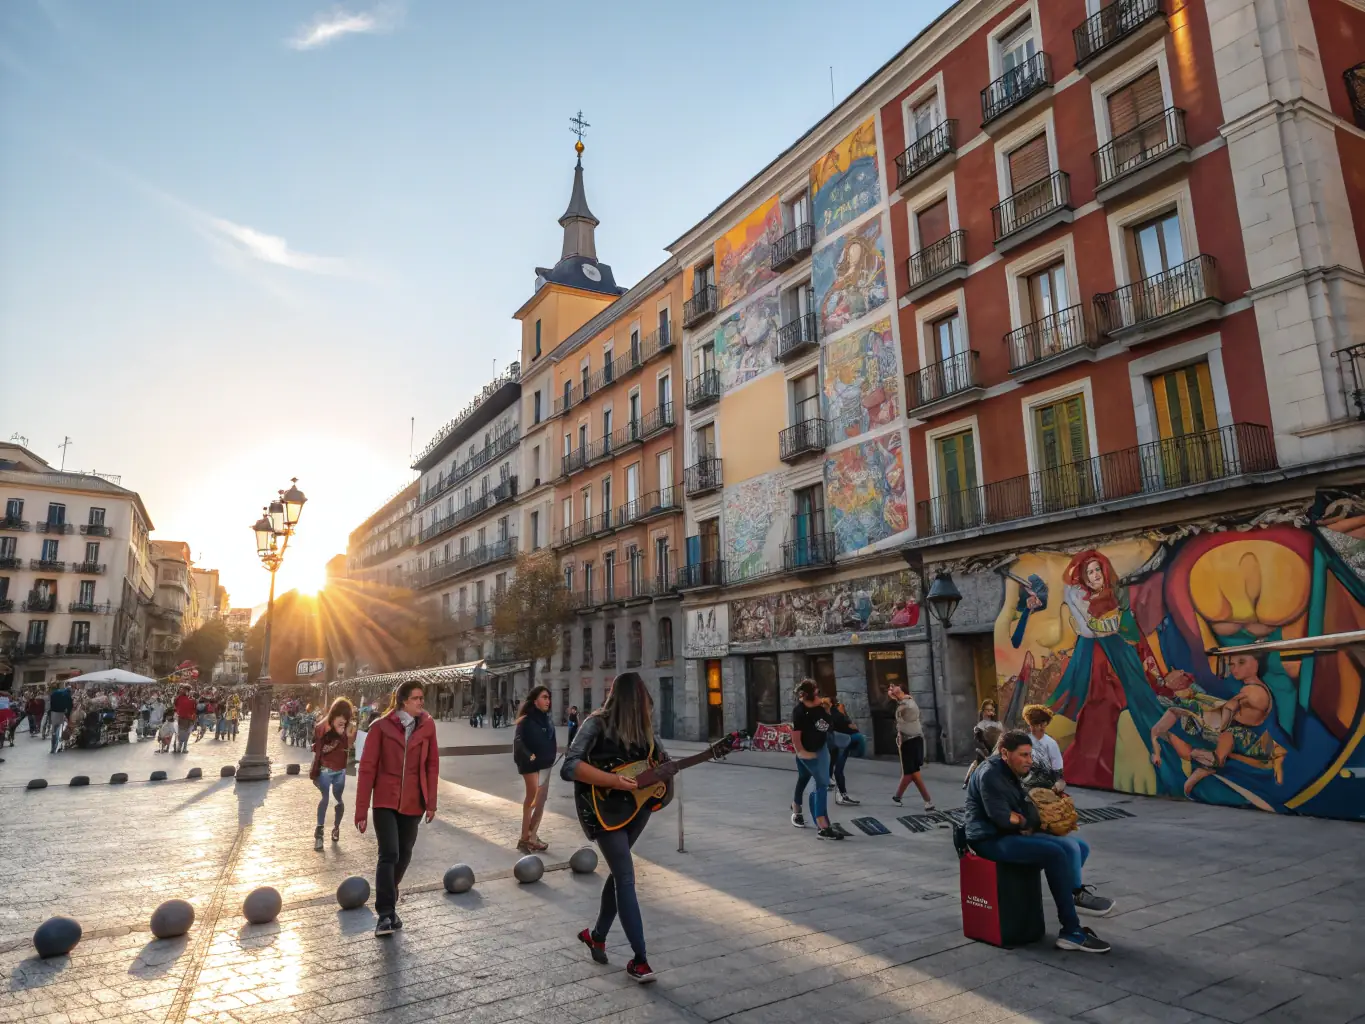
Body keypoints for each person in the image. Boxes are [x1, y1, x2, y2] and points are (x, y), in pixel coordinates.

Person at [965, 730, 1114, 953]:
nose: (1030, 761)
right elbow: (1003, 818)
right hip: (989, 839)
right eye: (1024, 755)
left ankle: (1073, 893)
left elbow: (1025, 809)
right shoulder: (990, 774)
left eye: (1030, 755)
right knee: (1055, 854)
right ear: (1005, 753)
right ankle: (1071, 931)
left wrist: (1025, 821)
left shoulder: (1009, 770)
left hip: (1009, 833)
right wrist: (1023, 821)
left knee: (1078, 846)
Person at [562, 672, 667, 983]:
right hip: (602, 809)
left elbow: (660, 760)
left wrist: (663, 772)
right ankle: (640, 959)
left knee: (620, 873)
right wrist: (612, 780)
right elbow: (570, 766)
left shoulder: (646, 729)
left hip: (637, 808)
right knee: (624, 874)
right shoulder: (596, 723)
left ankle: (596, 936)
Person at [355, 681, 439, 938]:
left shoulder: (427, 726)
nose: (420, 703)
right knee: (389, 853)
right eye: (416, 698)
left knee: (404, 855)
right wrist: (361, 810)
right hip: (385, 800)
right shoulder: (380, 727)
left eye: (422, 698)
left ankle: (390, 897)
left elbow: (432, 765)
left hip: (414, 801)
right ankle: (384, 914)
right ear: (403, 701)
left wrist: (431, 803)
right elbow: (367, 768)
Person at [790, 681, 843, 840]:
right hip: (807, 752)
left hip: (821, 749)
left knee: (805, 778)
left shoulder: (820, 707)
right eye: (816, 691)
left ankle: (797, 809)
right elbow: (795, 736)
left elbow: (827, 726)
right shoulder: (799, 711)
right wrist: (802, 752)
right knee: (821, 783)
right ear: (808, 694)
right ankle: (822, 825)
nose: (819, 694)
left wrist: (827, 709)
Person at [513, 686, 556, 853]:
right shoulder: (525, 720)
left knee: (541, 801)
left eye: (549, 698)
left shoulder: (547, 719)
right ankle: (524, 838)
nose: (548, 701)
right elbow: (518, 741)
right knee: (532, 800)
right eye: (544, 697)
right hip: (531, 765)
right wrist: (529, 755)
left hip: (546, 764)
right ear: (535, 700)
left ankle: (532, 836)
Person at [312, 698, 355, 851]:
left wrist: (349, 736)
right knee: (326, 798)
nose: (343, 720)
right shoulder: (321, 727)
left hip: (340, 771)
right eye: (341, 716)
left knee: (338, 800)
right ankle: (319, 832)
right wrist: (314, 773)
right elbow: (317, 751)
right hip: (325, 770)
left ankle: (336, 827)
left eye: (346, 717)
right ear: (334, 714)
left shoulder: (349, 728)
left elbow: (350, 748)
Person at [888, 684, 935, 811]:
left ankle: (927, 800)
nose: (894, 691)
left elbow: (898, 712)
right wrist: (896, 697)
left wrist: (894, 697)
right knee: (911, 773)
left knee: (911, 773)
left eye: (897, 689)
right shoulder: (907, 702)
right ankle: (898, 796)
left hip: (910, 741)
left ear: (903, 691)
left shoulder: (907, 705)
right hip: (911, 740)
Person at [827, 697, 864, 807]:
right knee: (838, 770)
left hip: (835, 744)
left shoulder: (829, 714)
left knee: (835, 768)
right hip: (841, 744)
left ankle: (840, 794)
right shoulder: (837, 715)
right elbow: (851, 727)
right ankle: (842, 795)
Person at [964, 699, 1002, 788]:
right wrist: (984, 750)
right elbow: (978, 740)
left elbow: (1001, 736)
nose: (990, 712)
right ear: (983, 711)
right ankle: (967, 781)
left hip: (996, 748)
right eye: (987, 710)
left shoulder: (997, 723)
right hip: (984, 749)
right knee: (977, 762)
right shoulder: (980, 725)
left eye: (991, 710)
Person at [48, 681, 73, 754]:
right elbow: (69, 706)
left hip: (53, 713)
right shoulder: (67, 695)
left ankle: (53, 747)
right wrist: (68, 717)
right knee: (58, 729)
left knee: (54, 730)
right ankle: (56, 746)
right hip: (60, 713)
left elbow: (51, 703)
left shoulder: (54, 693)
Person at [173, 687, 196, 753]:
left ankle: (183, 748)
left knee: (186, 734)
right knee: (179, 733)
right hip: (180, 718)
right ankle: (178, 747)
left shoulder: (192, 700)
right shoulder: (178, 698)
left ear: (187, 691)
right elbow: (175, 706)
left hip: (188, 719)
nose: (182, 691)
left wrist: (193, 720)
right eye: (181, 689)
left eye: (183, 690)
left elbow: (194, 710)